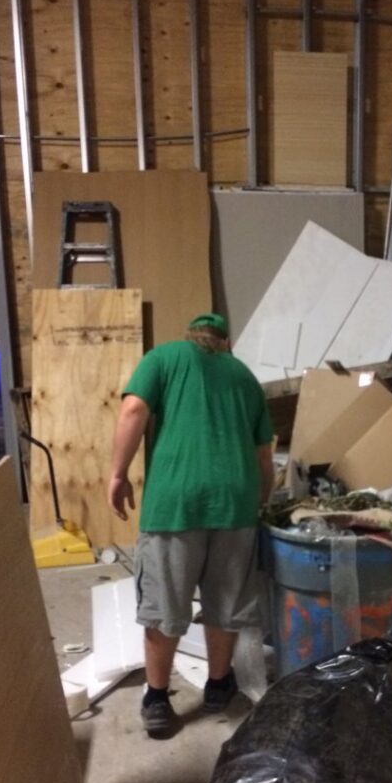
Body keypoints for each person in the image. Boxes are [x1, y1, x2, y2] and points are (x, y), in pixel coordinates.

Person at [108, 312, 274, 737]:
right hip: (235, 501)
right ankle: (218, 686)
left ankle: (159, 700)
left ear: (191, 335)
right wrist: (260, 500)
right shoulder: (245, 377)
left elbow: (133, 409)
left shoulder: (161, 358)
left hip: (175, 501)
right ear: (224, 342)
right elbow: (263, 458)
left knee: (165, 603)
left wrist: (117, 473)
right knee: (226, 602)